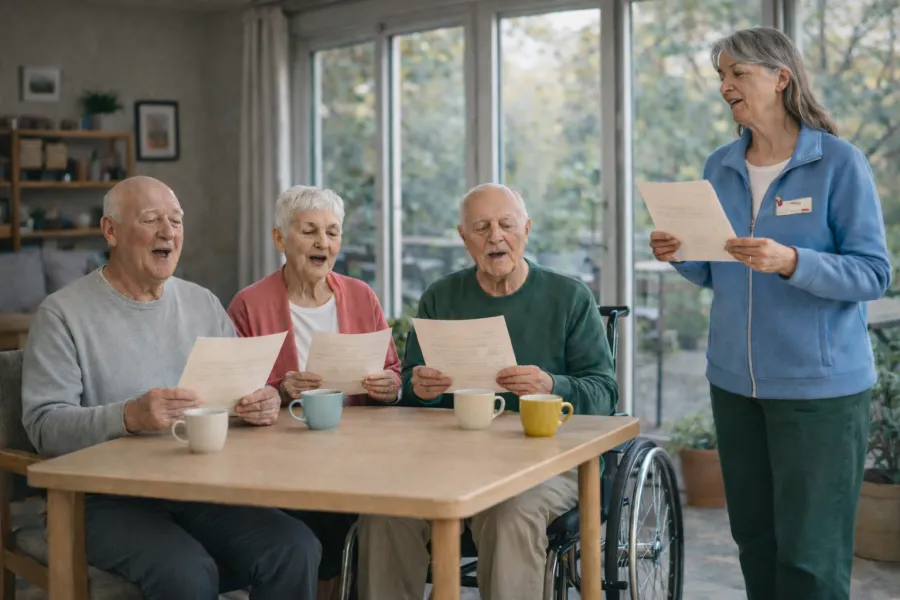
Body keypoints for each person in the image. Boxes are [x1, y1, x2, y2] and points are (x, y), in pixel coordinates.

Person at [650, 27, 891, 600]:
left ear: (781, 77)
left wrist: (792, 261)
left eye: (738, 74)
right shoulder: (720, 165)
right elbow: (714, 272)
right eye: (721, 77)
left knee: (810, 556)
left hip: (819, 394)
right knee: (756, 541)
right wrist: (680, 253)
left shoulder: (838, 162)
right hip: (735, 386)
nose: (726, 86)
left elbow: (872, 273)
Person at [21, 176, 321, 600]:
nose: (168, 231)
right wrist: (128, 416)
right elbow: (43, 426)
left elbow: (242, 394)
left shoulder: (203, 303)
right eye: (151, 220)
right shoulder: (62, 314)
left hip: (200, 488)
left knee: (296, 547)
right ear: (111, 231)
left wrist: (262, 402)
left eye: (176, 221)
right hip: (101, 500)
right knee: (188, 571)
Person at [356, 182, 618, 600]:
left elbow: (604, 393)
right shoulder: (441, 296)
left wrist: (551, 384)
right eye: (481, 227)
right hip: (452, 455)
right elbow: (408, 390)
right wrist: (419, 387)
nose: (495, 236)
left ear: (526, 229)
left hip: (549, 459)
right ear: (464, 238)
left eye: (506, 224)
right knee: (386, 512)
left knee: (509, 513)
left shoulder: (570, 297)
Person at [227, 184, 401, 600]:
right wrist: (281, 390)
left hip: (358, 453)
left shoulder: (361, 296)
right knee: (312, 523)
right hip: (282, 460)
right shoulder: (248, 304)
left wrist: (389, 387)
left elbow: (393, 371)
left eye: (333, 231)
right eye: (310, 231)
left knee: (372, 515)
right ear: (280, 239)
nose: (324, 242)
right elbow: (232, 394)